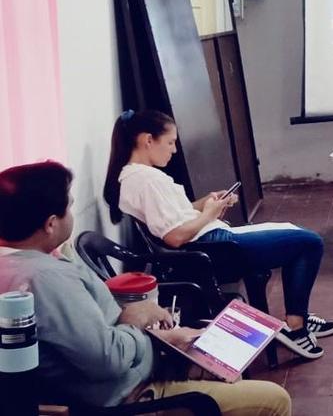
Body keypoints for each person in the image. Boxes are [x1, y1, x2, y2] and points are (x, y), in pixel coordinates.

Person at [0, 162, 291, 415]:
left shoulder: (26, 263)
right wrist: (138, 326)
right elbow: (107, 360)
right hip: (130, 395)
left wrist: (155, 335)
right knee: (274, 399)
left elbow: (91, 337)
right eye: (70, 207)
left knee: (224, 364)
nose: (73, 215)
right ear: (50, 224)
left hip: (139, 363)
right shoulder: (44, 279)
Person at [103, 110, 333, 360]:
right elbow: (174, 236)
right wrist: (209, 214)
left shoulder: (139, 176)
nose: (174, 150)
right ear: (148, 140)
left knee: (296, 233)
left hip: (212, 241)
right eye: (170, 142)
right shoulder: (145, 180)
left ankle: (299, 316)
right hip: (214, 250)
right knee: (309, 242)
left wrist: (207, 203)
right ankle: (297, 326)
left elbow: (176, 215)